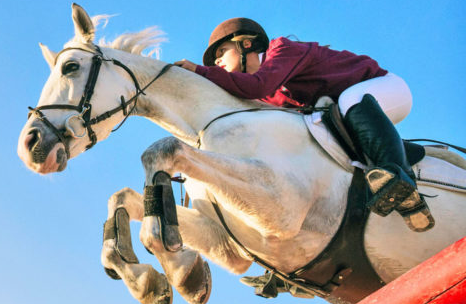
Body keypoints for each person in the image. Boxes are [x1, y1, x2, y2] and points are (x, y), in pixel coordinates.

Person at [174, 18, 434, 232]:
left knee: (348, 99)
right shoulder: (264, 96)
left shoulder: (281, 50)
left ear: (246, 44)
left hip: (384, 89)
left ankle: (399, 179)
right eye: (214, 60)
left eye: (221, 53)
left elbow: (257, 85)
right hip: (345, 116)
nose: (217, 62)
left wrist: (201, 72)